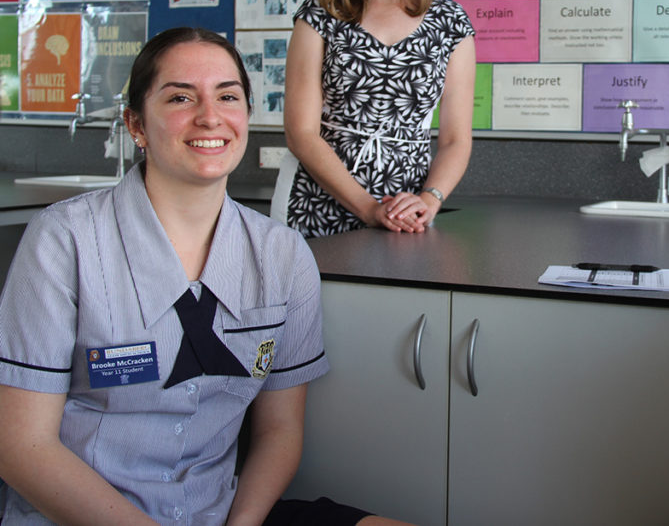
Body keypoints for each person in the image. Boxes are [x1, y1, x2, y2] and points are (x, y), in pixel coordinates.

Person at [0, 28, 411, 526]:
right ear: (136, 125)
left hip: (220, 512)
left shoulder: (282, 254)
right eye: (180, 97)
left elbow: (279, 430)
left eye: (228, 96)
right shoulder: (64, 240)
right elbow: (21, 446)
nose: (210, 117)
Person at [273, 0, 476, 238]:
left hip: (407, 216)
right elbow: (301, 132)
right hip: (318, 208)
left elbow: (455, 139)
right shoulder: (321, 13)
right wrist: (367, 208)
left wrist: (429, 200)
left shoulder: (451, 22)